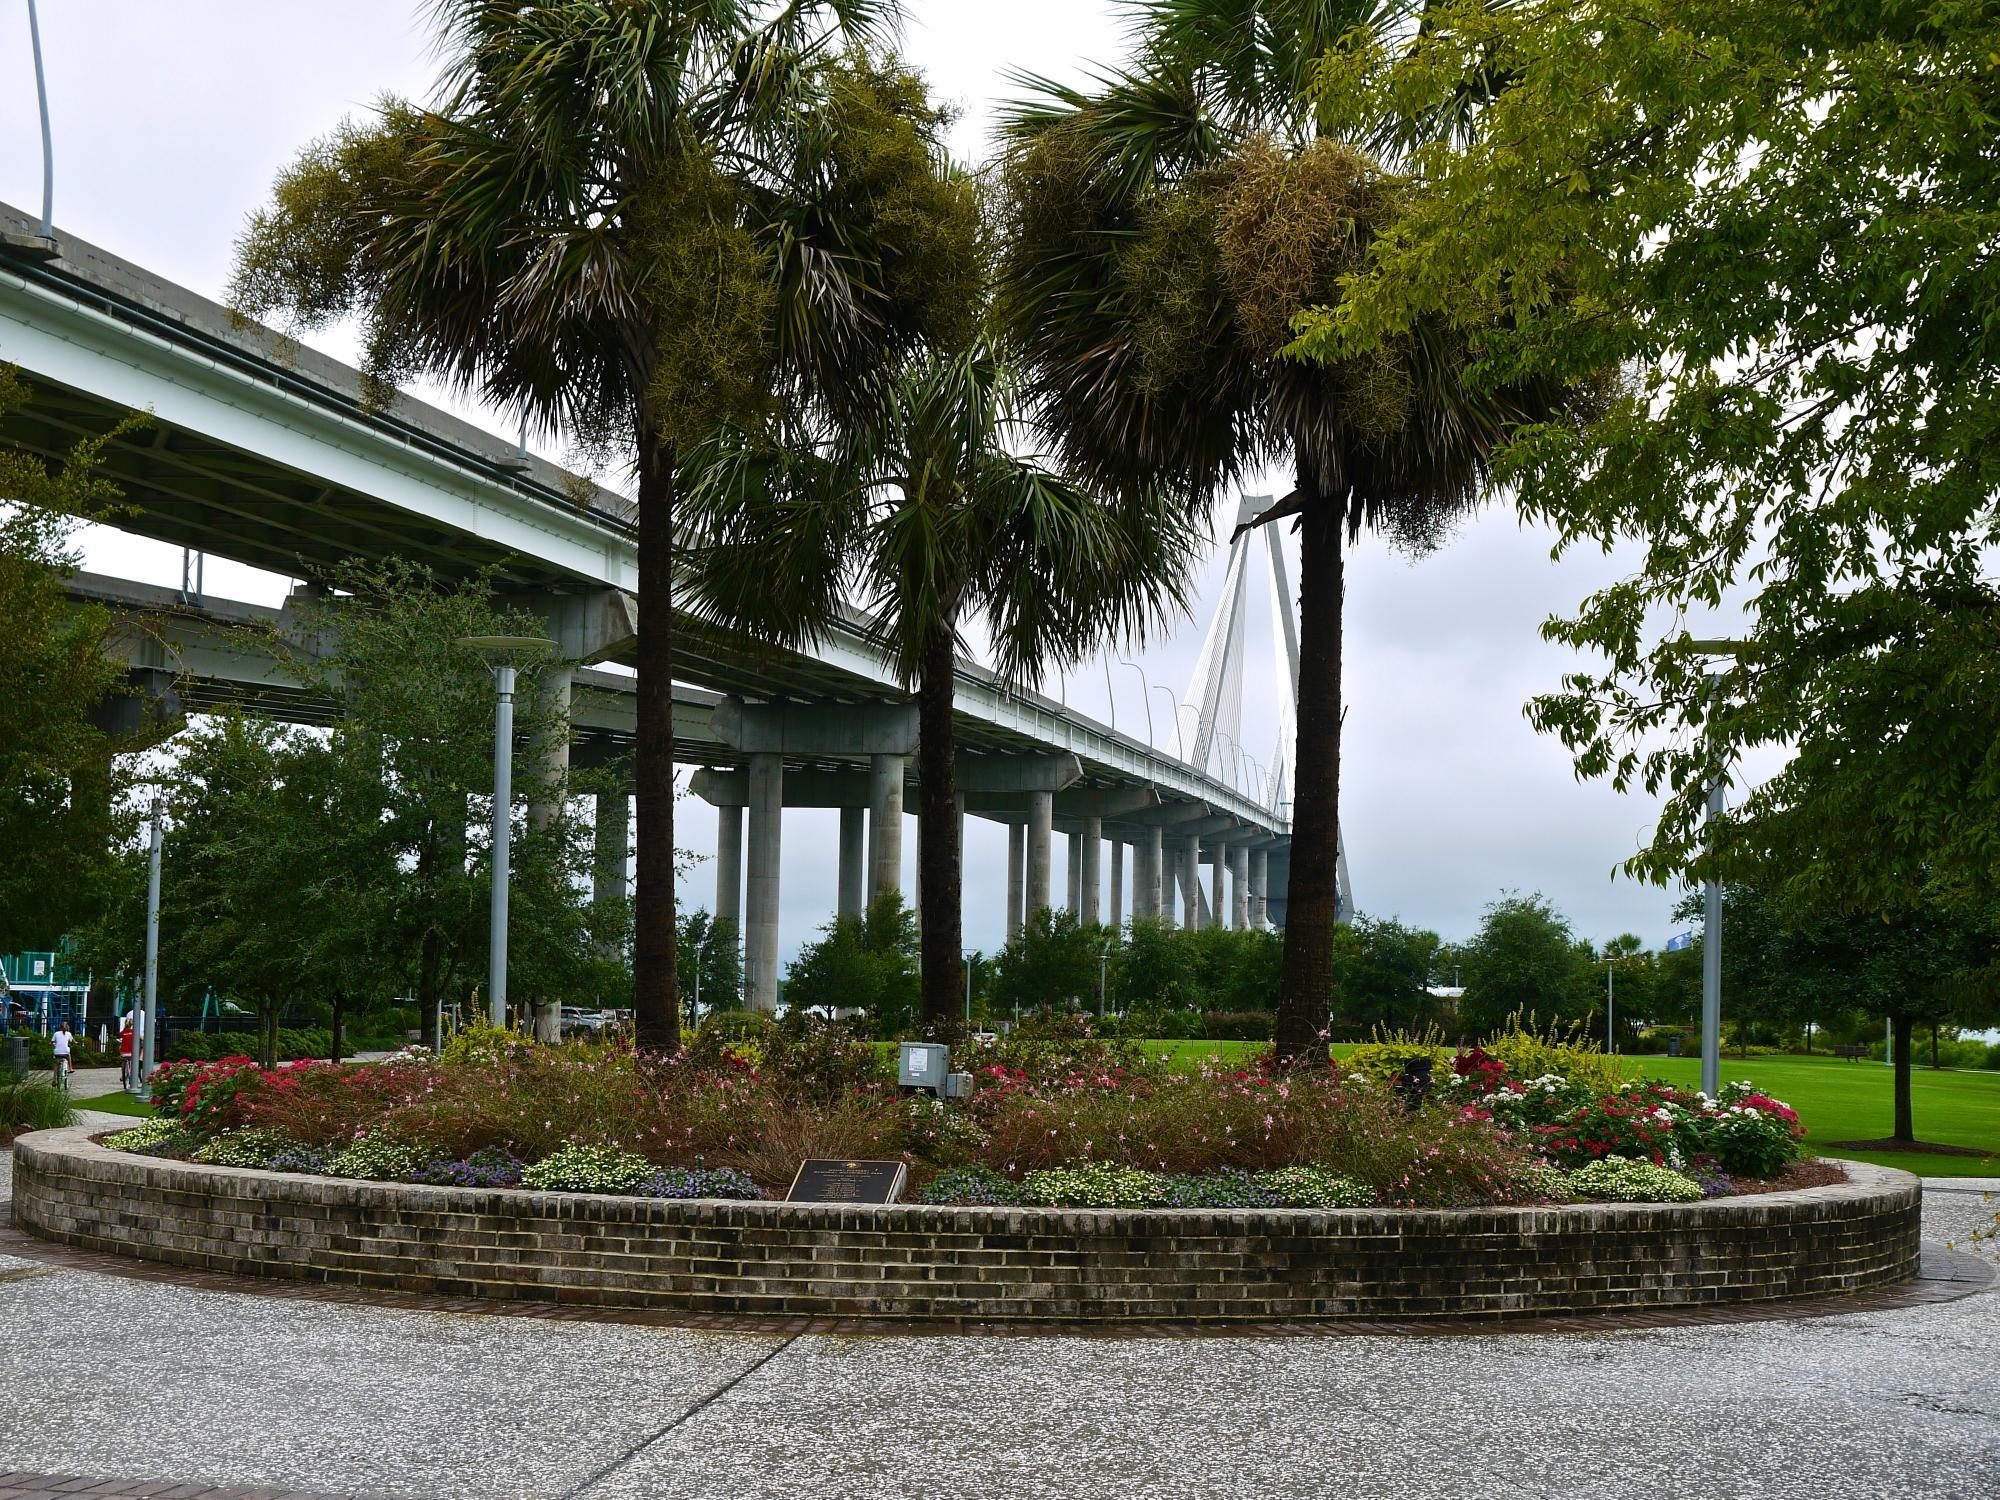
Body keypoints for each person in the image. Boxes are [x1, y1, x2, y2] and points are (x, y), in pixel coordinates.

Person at [51, 1020, 72, 1090]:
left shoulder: (56, 1033)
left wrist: (50, 1044)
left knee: (56, 1064)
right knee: (69, 1056)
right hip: (65, 1053)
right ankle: (71, 1068)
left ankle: (54, 1079)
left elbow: (52, 1041)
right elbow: (72, 1041)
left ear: (59, 1027)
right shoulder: (69, 1034)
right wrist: (76, 1043)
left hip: (57, 1053)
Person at [118, 1015, 135, 1090]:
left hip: (123, 1051)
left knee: (124, 1060)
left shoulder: (123, 1032)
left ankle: (123, 1074)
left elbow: (119, 1036)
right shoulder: (133, 1032)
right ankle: (130, 1075)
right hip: (131, 1051)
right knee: (131, 1063)